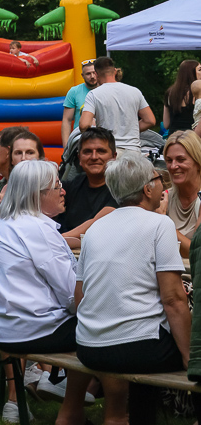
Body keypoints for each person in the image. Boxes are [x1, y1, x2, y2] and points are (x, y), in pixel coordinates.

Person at [76, 152, 192, 425]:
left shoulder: (95, 229)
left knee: (146, 333)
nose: (163, 184)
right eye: (159, 178)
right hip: (138, 349)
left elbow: (80, 296)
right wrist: (190, 358)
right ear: (147, 189)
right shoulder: (159, 224)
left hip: (89, 348)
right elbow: (174, 299)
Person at [0, 160, 92, 424]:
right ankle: (80, 407)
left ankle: (55, 382)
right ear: (36, 194)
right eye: (57, 186)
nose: (63, 191)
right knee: (104, 328)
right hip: (28, 331)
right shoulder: (39, 230)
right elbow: (72, 296)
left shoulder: (3, 225)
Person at [79, 56, 155, 153]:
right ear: (115, 71)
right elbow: (150, 120)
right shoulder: (135, 91)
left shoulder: (93, 95)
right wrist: (130, 130)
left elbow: (84, 125)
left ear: (96, 74)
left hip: (108, 150)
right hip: (133, 150)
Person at [55, 127, 118, 238]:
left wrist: (59, 239)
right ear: (79, 158)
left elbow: (100, 222)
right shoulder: (70, 187)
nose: (94, 157)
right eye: (87, 152)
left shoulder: (122, 188)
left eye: (101, 151)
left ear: (114, 157)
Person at [163, 130, 201, 255]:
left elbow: (197, 253)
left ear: (198, 162)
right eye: (169, 160)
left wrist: (163, 222)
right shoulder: (164, 198)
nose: (173, 166)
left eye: (181, 160)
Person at [61, 60, 99, 142]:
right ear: (82, 76)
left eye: (94, 72)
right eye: (88, 74)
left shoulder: (106, 90)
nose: (92, 76)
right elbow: (67, 120)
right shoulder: (74, 92)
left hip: (102, 138)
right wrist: (66, 146)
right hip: (80, 138)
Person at [163, 59, 201, 134]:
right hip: (192, 138)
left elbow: (166, 124)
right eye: (200, 70)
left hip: (173, 138)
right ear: (190, 73)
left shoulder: (170, 93)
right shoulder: (198, 93)